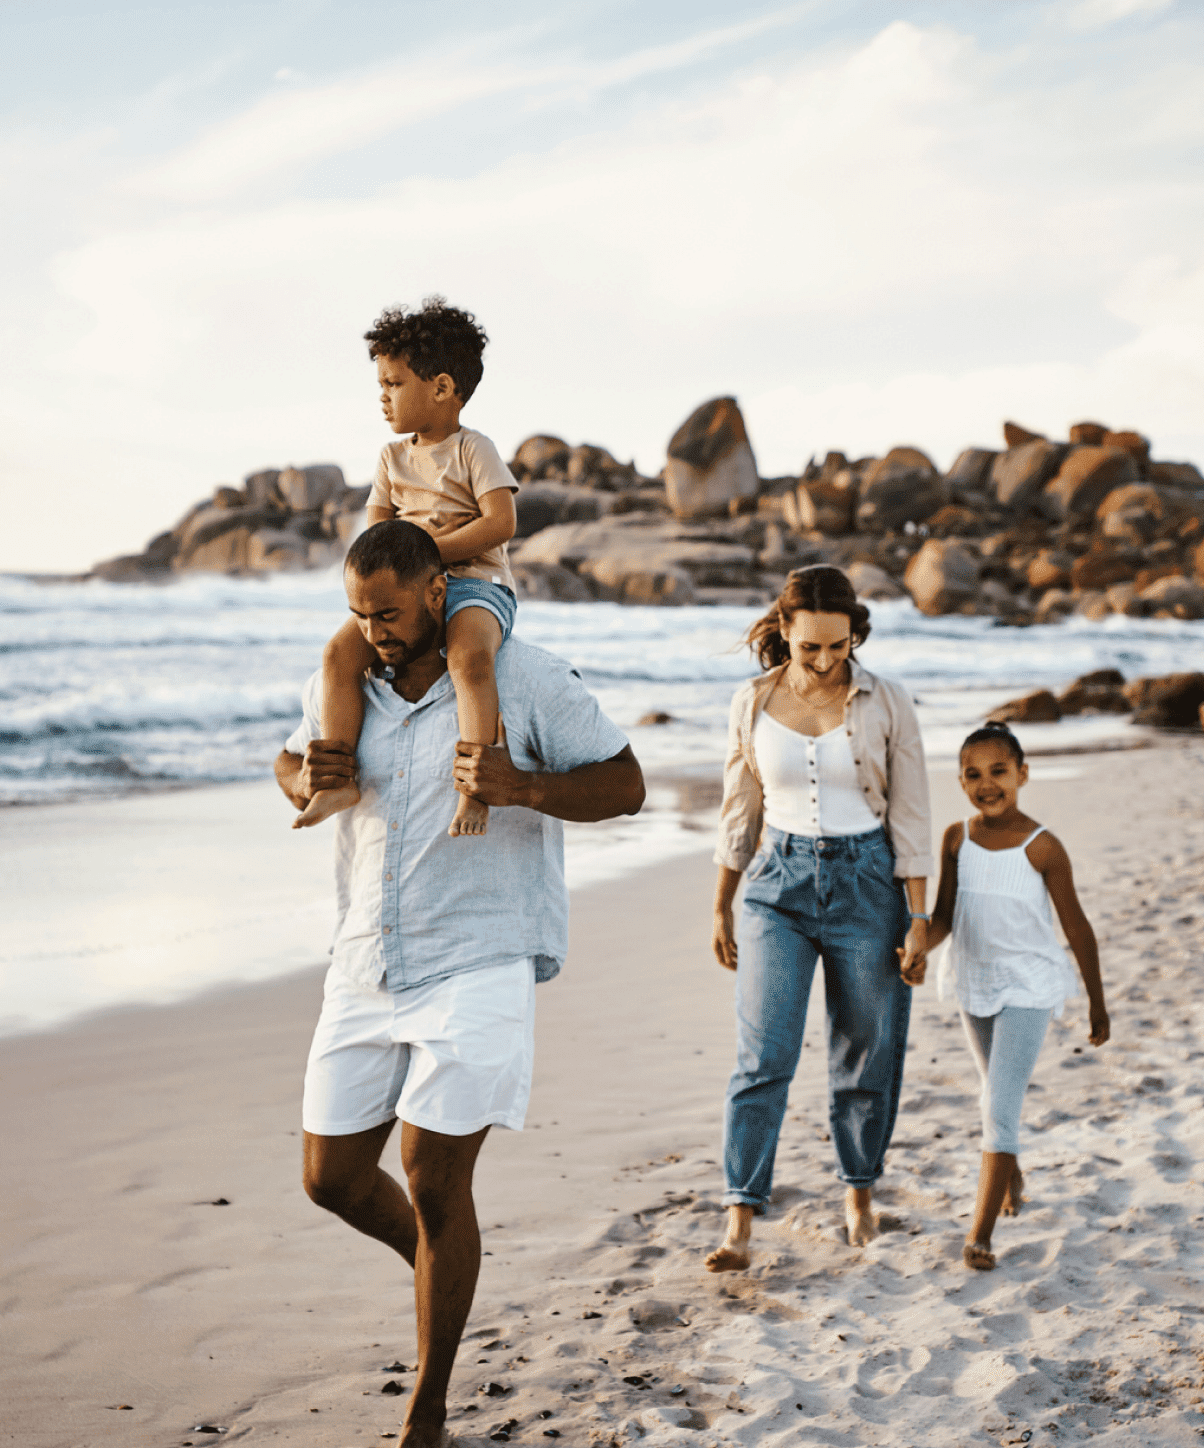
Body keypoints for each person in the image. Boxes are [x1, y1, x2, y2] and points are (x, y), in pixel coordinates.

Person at [278, 518, 645, 1448]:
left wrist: (522, 787)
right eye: (359, 614)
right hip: (367, 957)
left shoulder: (522, 676)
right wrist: (296, 773)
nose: (376, 630)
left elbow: (626, 783)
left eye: (391, 613)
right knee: (331, 1178)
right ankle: (443, 1265)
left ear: (437, 591)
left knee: (435, 1178)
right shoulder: (349, 679)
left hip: (479, 957)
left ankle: (429, 1411)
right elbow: (293, 759)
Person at [705, 565, 932, 1273]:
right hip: (776, 884)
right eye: (812, 649)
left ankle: (859, 1192)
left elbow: (913, 813)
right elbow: (739, 808)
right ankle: (740, 1214)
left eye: (841, 646)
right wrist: (721, 900)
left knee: (866, 1049)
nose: (829, 661)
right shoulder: (750, 701)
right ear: (785, 634)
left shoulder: (887, 702)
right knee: (762, 1056)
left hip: (868, 884)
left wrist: (919, 916)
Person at [293, 296, 520, 840]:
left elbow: (501, 522)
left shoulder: (472, 449)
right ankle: (338, 777)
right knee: (338, 654)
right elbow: (377, 536)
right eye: (381, 385)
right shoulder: (391, 459)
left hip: (474, 586)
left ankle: (474, 787)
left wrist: (427, 556)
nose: (383, 398)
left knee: (468, 658)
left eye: (393, 384)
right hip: (408, 590)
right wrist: (392, 571)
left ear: (441, 387)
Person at [909, 720, 1111, 1270]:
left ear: (1023, 773)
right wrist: (918, 945)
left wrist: (1096, 999)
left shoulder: (1042, 847)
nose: (987, 784)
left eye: (999, 771)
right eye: (973, 775)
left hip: (1029, 985)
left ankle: (980, 1235)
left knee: (997, 1107)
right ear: (960, 781)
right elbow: (946, 916)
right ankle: (1010, 1169)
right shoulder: (956, 838)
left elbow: (1078, 928)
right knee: (991, 1093)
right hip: (974, 979)